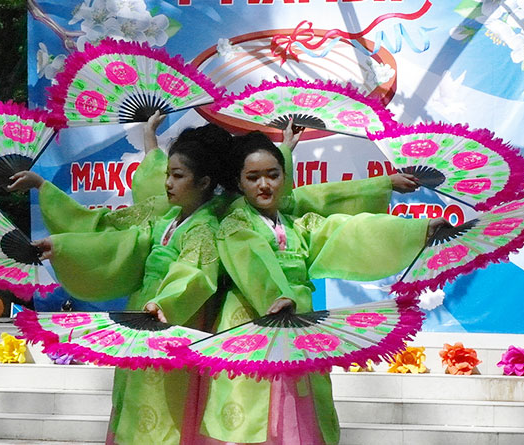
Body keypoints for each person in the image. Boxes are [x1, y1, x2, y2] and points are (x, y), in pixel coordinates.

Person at [192, 131, 448, 445]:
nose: (264, 184)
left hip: (299, 321)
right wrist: (278, 297)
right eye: (253, 177)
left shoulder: (297, 225)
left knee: (300, 415)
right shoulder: (235, 224)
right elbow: (252, 263)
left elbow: (348, 231)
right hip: (252, 321)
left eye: (273, 175)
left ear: (285, 177)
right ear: (239, 182)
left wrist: (416, 229)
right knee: (251, 413)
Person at [10, 116, 235, 445]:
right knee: (134, 398)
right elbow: (112, 237)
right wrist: (62, 245)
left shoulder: (206, 226)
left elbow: (195, 273)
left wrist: (164, 303)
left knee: (165, 409)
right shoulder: (167, 218)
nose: (167, 183)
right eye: (168, 174)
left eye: (177, 176)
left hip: (176, 320)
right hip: (144, 316)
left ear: (204, 182)